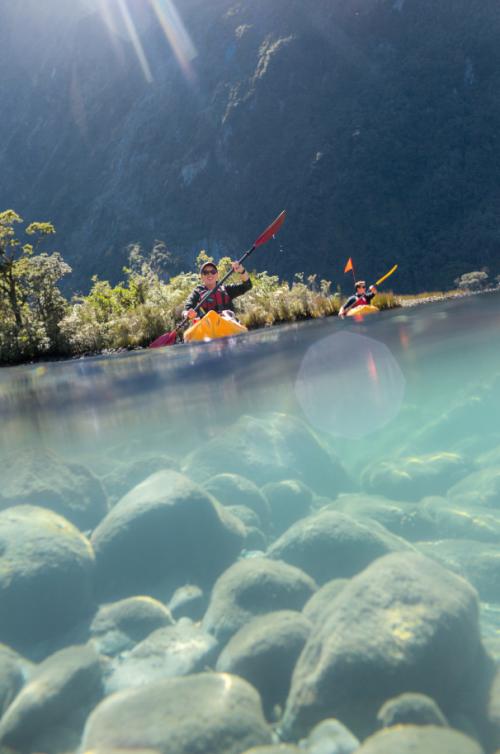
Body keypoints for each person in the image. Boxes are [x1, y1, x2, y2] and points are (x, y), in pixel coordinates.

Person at [182, 260, 252, 321]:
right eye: (205, 272)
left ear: (217, 275)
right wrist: (187, 314)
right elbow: (186, 310)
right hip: (208, 327)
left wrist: (242, 271)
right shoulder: (197, 292)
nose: (209, 274)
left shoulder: (226, 289)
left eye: (213, 271)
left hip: (228, 323)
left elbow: (247, 286)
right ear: (201, 277)